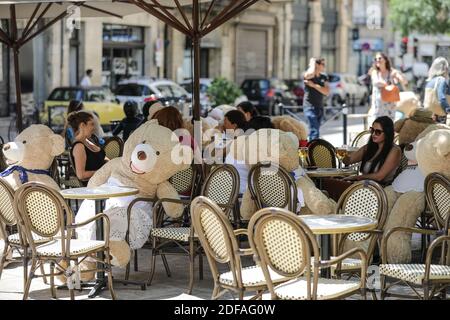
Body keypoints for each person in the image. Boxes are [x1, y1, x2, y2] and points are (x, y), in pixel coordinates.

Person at [343, 116, 401, 185]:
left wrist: (358, 177)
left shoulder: (394, 150)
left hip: (381, 189)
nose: (373, 134)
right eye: (372, 130)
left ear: (387, 133)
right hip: (364, 186)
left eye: (378, 132)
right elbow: (349, 161)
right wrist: (342, 154)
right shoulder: (369, 147)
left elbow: (379, 176)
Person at [68, 111, 108, 184]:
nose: (94, 127)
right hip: (93, 185)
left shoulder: (88, 141)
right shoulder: (79, 146)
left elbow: (103, 158)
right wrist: (103, 171)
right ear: (82, 125)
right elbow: (81, 175)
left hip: (103, 181)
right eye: (91, 124)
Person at [369, 52, 408, 123]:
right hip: (377, 106)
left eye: (380, 58)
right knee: (376, 127)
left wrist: (398, 75)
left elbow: (404, 81)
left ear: (385, 60)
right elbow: (377, 82)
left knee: (388, 127)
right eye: (376, 59)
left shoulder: (391, 72)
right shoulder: (375, 72)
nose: (377, 60)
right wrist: (388, 84)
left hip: (390, 107)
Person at [303, 57, 330, 141]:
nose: (324, 66)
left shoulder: (324, 77)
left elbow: (326, 91)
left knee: (315, 130)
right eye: (322, 64)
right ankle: (313, 149)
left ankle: (310, 148)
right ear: (317, 65)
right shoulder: (309, 75)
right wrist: (312, 64)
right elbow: (307, 76)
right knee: (314, 130)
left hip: (320, 106)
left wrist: (314, 85)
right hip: (309, 106)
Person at [423, 56, 450, 123]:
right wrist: (448, 110)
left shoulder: (430, 81)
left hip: (429, 114)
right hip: (439, 114)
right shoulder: (442, 80)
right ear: (445, 68)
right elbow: (442, 98)